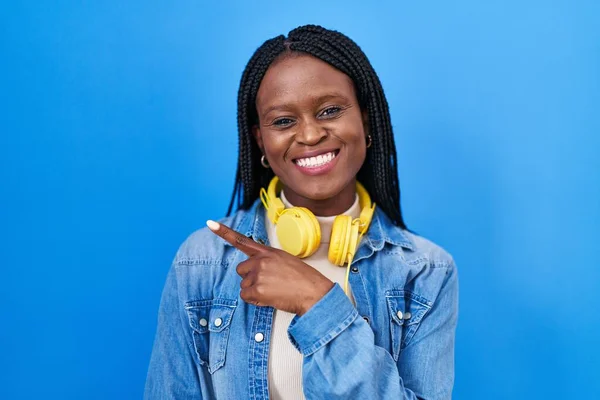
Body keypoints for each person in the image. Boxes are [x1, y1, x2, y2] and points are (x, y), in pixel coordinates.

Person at [145, 24, 458, 400]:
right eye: (283, 121)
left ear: (366, 119)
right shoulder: (202, 262)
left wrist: (318, 303)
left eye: (330, 110)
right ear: (261, 138)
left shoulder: (425, 273)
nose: (309, 135)